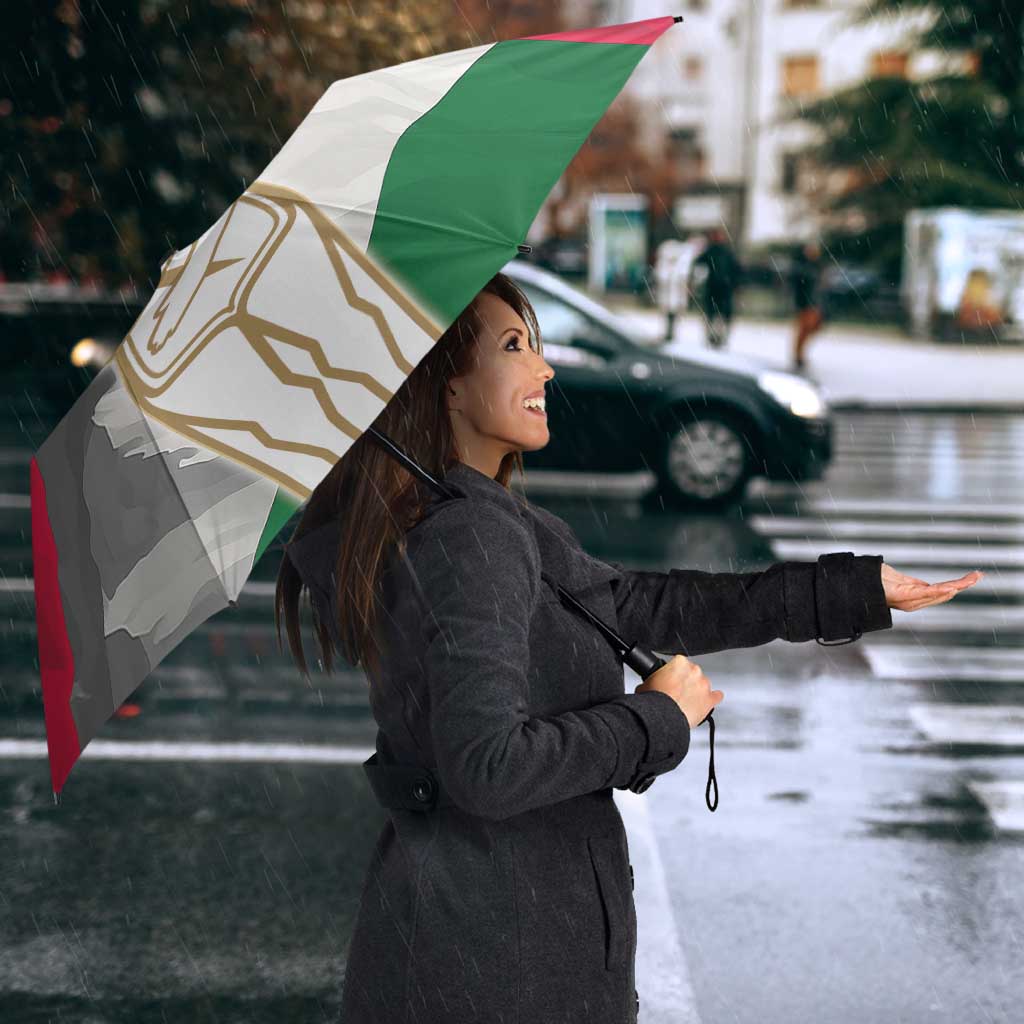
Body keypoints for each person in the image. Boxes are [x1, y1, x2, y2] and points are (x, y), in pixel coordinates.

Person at [275, 272, 981, 1024]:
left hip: (484, 943)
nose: (544, 368)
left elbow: (643, 605)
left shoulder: (480, 519)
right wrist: (655, 719)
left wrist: (850, 590)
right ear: (445, 387)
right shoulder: (469, 536)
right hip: (496, 963)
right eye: (515, 346)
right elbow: (487, 767)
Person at [692, 226, 742, 349]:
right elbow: (698, 264)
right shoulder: (712, 251)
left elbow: (736, 270)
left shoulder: (725, 252)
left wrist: (735, 284)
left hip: (723, 288)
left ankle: (719, 337)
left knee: (720, 315)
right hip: (715, 288)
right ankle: (713, 337)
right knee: (713, 314)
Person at [790, 239, 826, 370]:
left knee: (812, 328)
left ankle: (799, 354)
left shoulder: (817, 266)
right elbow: (799, 286)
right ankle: (798, 355)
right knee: (804, 329)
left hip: (814, 303)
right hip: (805, 303)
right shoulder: (802, 267)